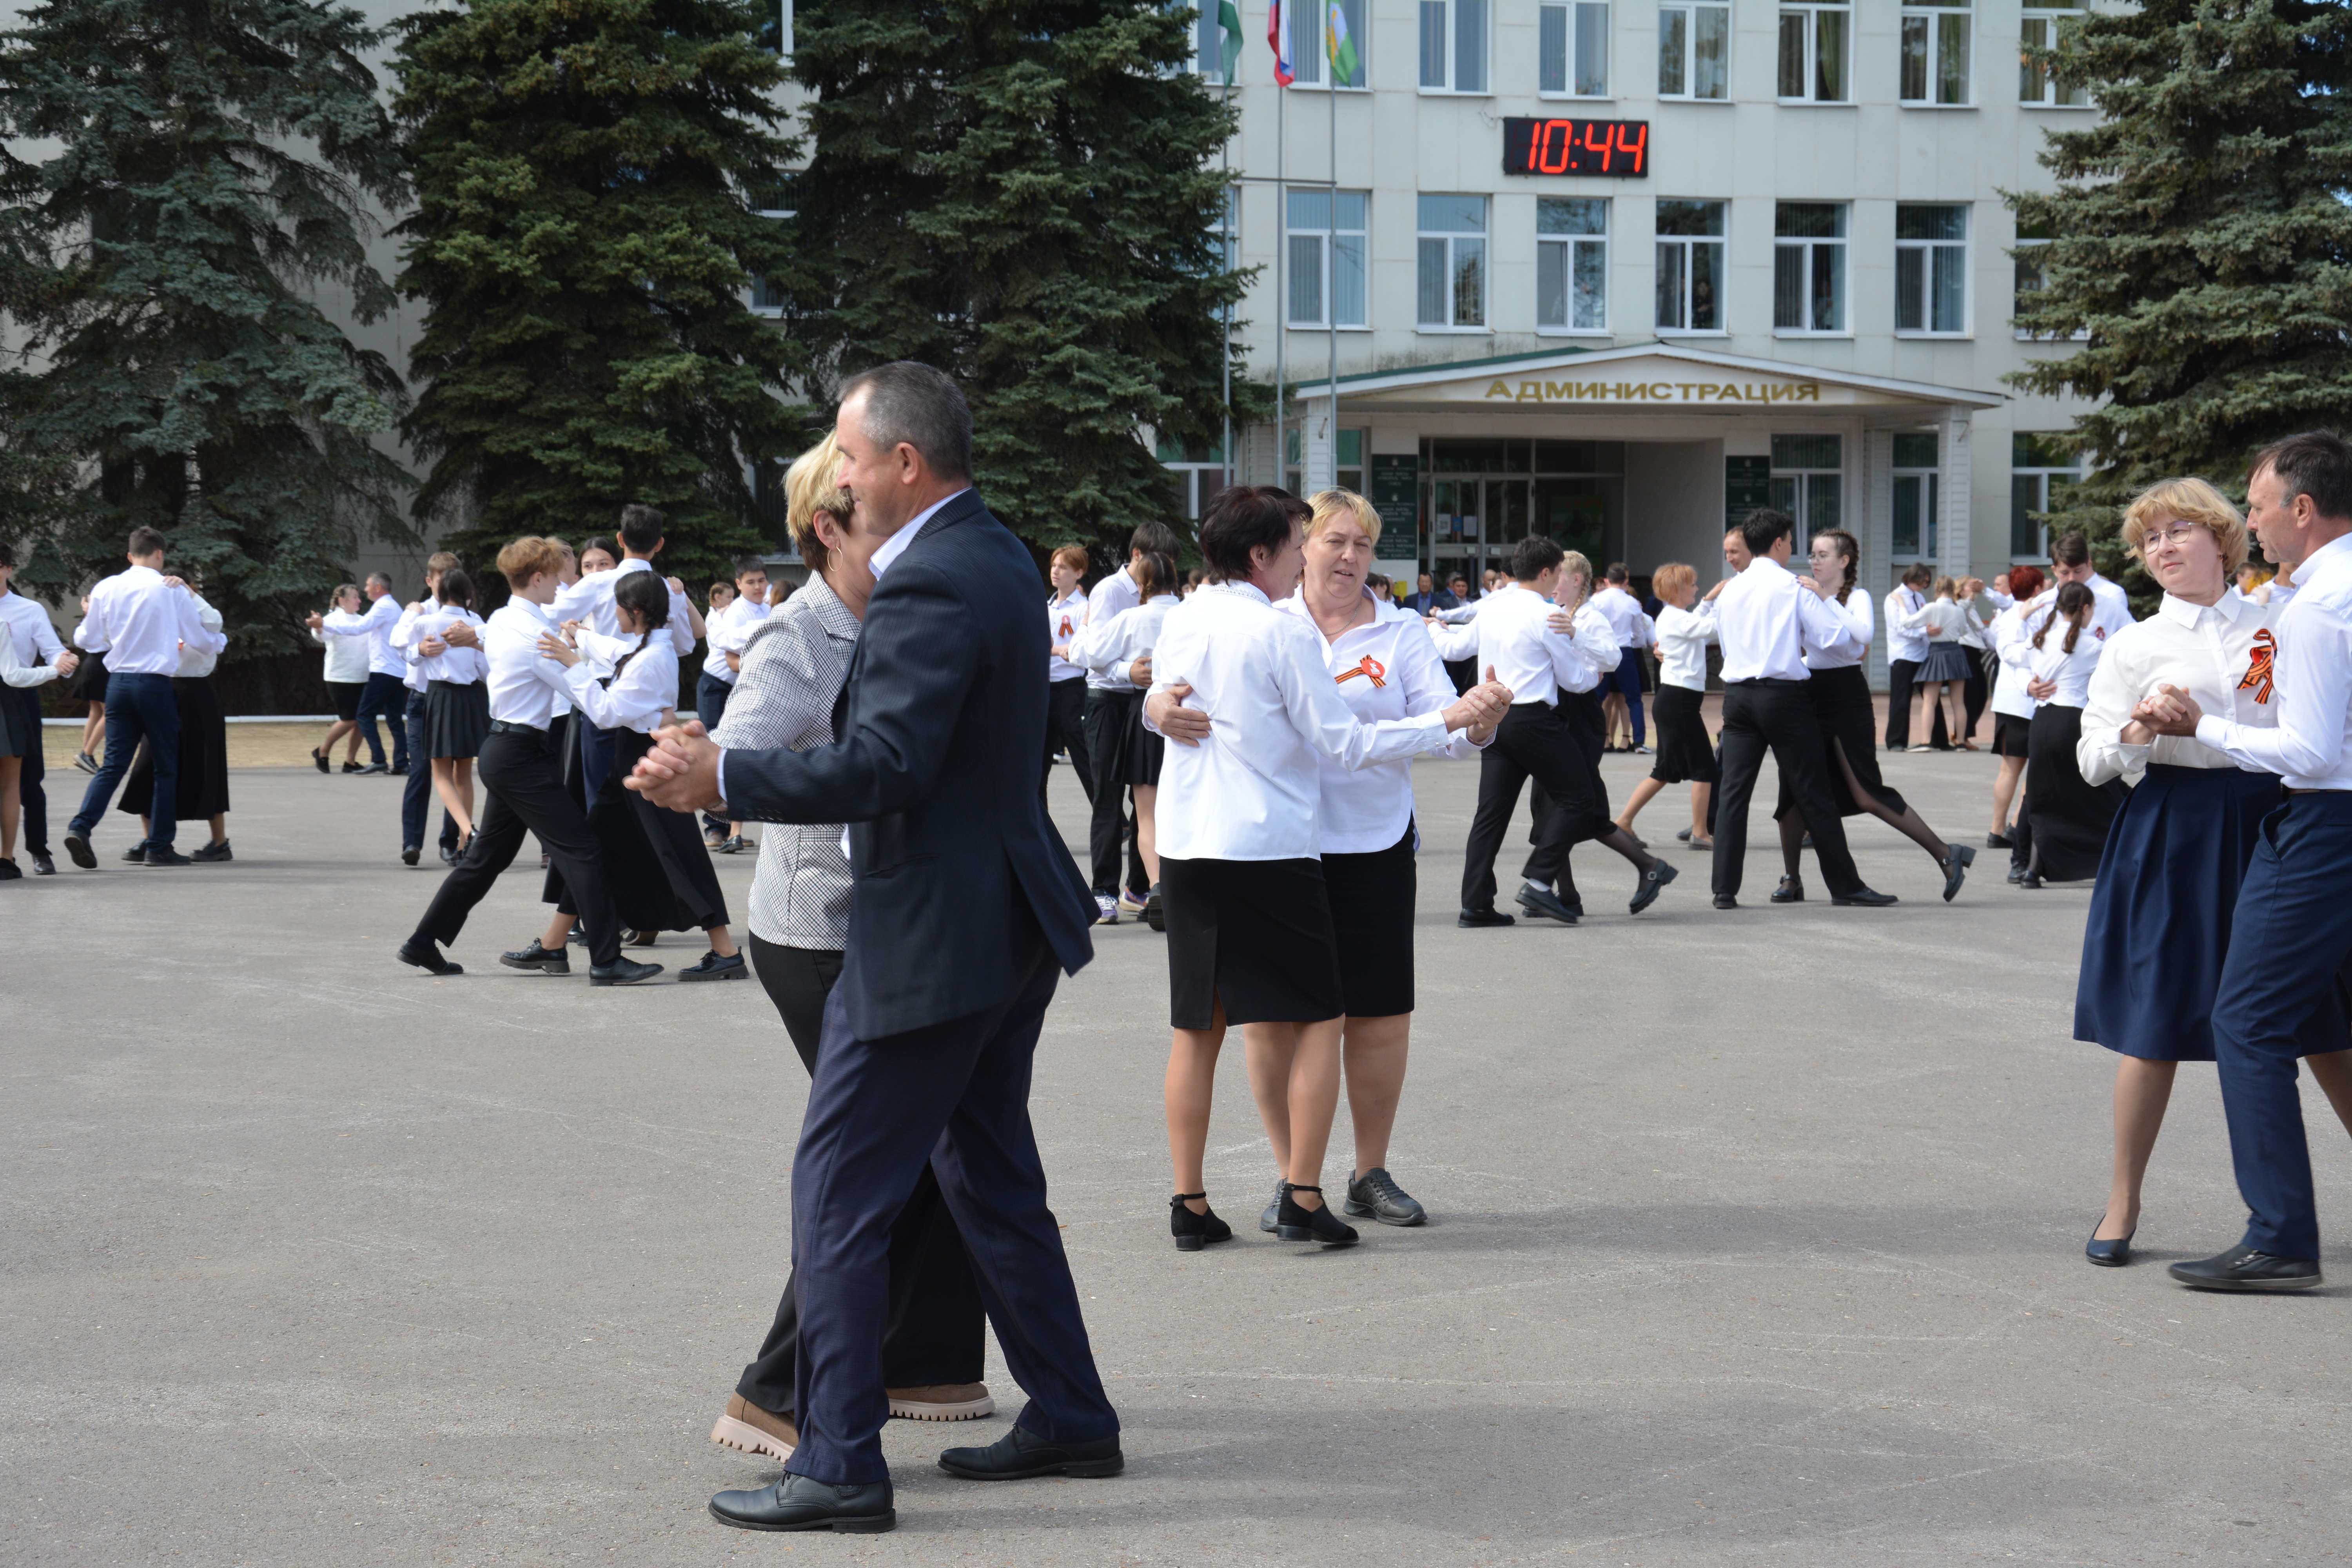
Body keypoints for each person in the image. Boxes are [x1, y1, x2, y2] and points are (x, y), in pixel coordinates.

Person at [629, 361, 1119, 1531]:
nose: (838, 477)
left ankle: (840, 1459)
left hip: (934, 938)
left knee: (839, 1187)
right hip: (1004, 923)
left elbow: (887, 766)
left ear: (905, 464)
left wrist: (724, 776)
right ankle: (1069, 1411)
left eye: (849, 456)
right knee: (987, 1173)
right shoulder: (995, 549)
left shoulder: (928, 582)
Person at [705, 435, 996, 1471]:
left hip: (905, 920)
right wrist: (853, 788)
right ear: (828, 531)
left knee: (931, 1145)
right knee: (874, 1159)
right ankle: (776, 1393)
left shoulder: (917, 613)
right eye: (883, 528)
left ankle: (922, 1357)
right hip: (822, 933)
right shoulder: (802, 637)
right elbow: (738, 753)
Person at [1141, 485, 1507, 1254]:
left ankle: (1269, 1185)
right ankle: (1298, 1183)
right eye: (1328, 539)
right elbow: (1337, 740)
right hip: (1278, 848)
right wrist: (1153, 707)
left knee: (1317, 1017)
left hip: (1316, 843)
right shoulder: (1278, 629)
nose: (1347, 556)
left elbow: (1176, 680)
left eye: (1362, 546)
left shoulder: (1398, 630)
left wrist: (1471, 723)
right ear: (1281, 551)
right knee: (1300, 1020)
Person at [2070, 477, 2352, 1269]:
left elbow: (2293, 720)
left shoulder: (2276, 623)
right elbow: (2093, 760)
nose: (2162, 547)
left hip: (2272, 815)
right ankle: (2122, 1198)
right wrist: (2138, 725)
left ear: (2223, 539)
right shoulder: (2130, 643)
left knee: (2322, 1021)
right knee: (2153, 1021)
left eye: (2178, 531)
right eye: (2149, 538)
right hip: (2174, 826)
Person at [398, 537, 661, 987]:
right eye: (558, 575)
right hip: (521, 755)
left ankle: (424, 941)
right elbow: (594, 706)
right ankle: (606, 960)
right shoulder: (533, 636)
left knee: (486, 858)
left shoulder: (503, 618)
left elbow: (492, 635)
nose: (564, 583)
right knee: (584, 850)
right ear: (537, 578)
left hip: (508, 750)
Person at [514, 571, 746, 981]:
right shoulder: (647, 644)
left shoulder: (653, 658)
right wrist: (580, 637)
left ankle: (726, 951)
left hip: (648, 764)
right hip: (630, 762)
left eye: (617, 606)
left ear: (636, 612)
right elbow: (614, 651)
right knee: (591, 849)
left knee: (679, 853)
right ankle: (553, 944)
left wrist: (572, 665)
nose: (612, 613)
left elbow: (605, 712)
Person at [1452, 535, 1675, 927]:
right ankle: (1539, 883)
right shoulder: (1545, 615)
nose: (1557, 579)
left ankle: (1476, 903)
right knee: (1578, 799)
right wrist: (1591, 673)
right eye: (1556, 571)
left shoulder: (1496, 608)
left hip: (1496, 717)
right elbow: (1575, 680)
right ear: (1545, 572)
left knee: (1492, 815)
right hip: (1534, 721)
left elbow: (1457, 646)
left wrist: (1420, 627)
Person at [1708, 509, 1895, 911]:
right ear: (1778, 543)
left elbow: (1723, 645)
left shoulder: (1731, 590)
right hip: (1783, 697)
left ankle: (1724, 888)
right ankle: (1845, 886)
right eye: (1791, 542)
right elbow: (1831, 638)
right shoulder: (1793, 587)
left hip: (1738, 697)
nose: (1794, 549)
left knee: (1733, 793)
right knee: (1814, 792)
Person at [1773, 532, 1973, 904]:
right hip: (1809, 694)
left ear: (1844, 561)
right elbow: (1804, 649)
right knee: (1794, 792)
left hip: (1847, 696)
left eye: (1823, 555)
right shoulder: (1804, 594)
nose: (1814, 562)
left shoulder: (1856, 597)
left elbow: (1863, 637)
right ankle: (1791, 879)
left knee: (1866, 792)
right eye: (1812, 555)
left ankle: (1947, 853)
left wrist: (1824, 598)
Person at [60, 528, 227, 869]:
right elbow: (199, 638)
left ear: (129, 555)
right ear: (160, 555)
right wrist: (220, 642)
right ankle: (159, 846)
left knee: (113, 766)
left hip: (118, 685)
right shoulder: (170, 589)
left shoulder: (106, 587)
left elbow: (89, 639)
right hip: (155, 685)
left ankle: (81, 826)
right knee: (167, 767)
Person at [552, 505, 704, 820]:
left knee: (602, 795)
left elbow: (548, 612)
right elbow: (687, 643)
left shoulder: (598, 583)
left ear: (620, 539)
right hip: (648, 702)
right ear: (659, 544)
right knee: (644, 797)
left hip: (606, 692)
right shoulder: (667, 588)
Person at [1076, 521, 1178, 923]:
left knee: (1144, 805)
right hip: (1110, 700)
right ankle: (1105, 891)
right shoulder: (1108, 591)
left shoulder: (1147, 608)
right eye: (1159, 562)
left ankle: (1140, 887)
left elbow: (1088, 646)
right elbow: (1092, 656)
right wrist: (1127, 671)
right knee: (1108, 796)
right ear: (1139, 558)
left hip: (1143, 704)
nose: (1162, 568)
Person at [115, 570, 231, 861]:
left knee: (206, 765)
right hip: (160, 692)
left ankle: (220, 843)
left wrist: (190, 593)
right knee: (148, 765)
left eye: (182, 591)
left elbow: (216, 625)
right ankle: (151, 840)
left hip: (197, 695)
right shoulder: (161, 621)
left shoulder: (203, 620)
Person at [2016, 582, 2122, 888]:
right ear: (2085, 609)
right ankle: (2119, 856)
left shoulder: (2038, 639)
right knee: (2103, 791)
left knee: (2043, 798)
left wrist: (2021, 619)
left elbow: (2010, 655)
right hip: (2073, 722)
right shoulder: (2092, 646)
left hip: (2042, 721)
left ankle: (2031, 871)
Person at [1612, 562, 1714, 848]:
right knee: (1704, 768)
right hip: (1679, 701)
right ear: (1675, 591)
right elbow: (1711, 628)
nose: (1697, 588)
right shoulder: (1677, 618)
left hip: (1677, 700)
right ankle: (1700, 832)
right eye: (1692, 585)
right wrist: (1725, 604)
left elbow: (1702, 625)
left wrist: (1709, 601)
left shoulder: (1676, 616)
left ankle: (1624, 822)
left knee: (1666, 771)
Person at [391, 553, 464, 867]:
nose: (447, 584)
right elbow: (396, 642)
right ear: (430, 581)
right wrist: (418, 650)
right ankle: (412, 842)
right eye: (441, 579)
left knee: (455, 774)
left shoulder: (464, 613)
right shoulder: (419, 612)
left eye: (452, 578)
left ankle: (449, 843)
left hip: (452, 702)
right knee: (421, 772)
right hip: (421, 700)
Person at [0, 542, 69, 875]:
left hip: (20, 695)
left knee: (30, 780)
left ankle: (39, 850)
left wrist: (62, 662)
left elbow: (52, 651)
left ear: (9, 570)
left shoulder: (29, 610)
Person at [415, 569, 491, 855]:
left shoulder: (426, 622)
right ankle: (462, 846)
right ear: (468, 595)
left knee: (441, 773)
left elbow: (406, 653)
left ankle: (469, 832)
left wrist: (420, 650)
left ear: (440, 593)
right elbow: (485, 668)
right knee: (463, 773)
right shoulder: (476, 622)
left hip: (441, 696)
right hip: (471, 697)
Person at [700, 557, 772, 853]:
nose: (757, 586)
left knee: (738, 753)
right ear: (739, 584)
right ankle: (715, 828)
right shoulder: (736, 612)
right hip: (717, 686)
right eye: (751, 582)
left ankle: (733, 827)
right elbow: (732, 657)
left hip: (742, 687)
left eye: (762, 581)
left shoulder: (767, 608)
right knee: (715, 750)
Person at [1986, 564, 2046, 851]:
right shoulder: (2036, 617)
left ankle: (1997, 829)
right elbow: (2031, 656)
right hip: (2031, 701)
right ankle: (2014, 826)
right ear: (2037, 589)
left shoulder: (2004, 618)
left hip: (2008, 701)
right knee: (2034, 771)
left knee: (2008, 770)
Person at [1897, 576, 1975, 753]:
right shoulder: (1958, 610)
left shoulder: (1932, 608)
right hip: (1956, 652)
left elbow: (1907, 623)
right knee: (1958, 701)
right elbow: (1963, 631)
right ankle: (1961, 742)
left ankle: (1926, 741)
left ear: (1937, 590)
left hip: (1937, 651)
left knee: (1930, 701)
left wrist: (1901, 604)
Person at [341, 573, 409, 774]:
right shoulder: (393, 606)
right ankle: (401, 763)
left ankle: (379, 759)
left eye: (368, 585)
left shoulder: (383, 607)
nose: (365, 589)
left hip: (384, 672)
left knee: (364, 715)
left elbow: (359, 628)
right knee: (395, 719)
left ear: (379, 587)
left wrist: (324, 625)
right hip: (397, 672)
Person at [1043, 544, 1094, 801]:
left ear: (1079, 572)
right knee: (1038, 765)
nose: (1056, 571)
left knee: (1082, 756)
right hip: (1044, 689)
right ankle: (1041, 830)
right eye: (1054, 565)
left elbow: (1079, 649)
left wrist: (1053, 650)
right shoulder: (1047, 606)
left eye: (1063, 567)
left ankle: (1116, 819)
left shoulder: (1083, 608)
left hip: (1069, 688)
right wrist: (1056, 650)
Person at [309, 583, 372, 773]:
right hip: (341, 677)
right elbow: (321, 635)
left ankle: (350, 762)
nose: (359, 600)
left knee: (362, 719)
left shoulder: (362, 621)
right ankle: (323, 750)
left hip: (362, 676)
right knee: (349, 719)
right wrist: (318, 627)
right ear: (341, 601)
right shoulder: (332, 619)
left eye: (359, 597)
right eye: (354, 597)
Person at [1591, 563, 1652, 753]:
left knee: (1597, 698)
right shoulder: (1632, 602)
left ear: (1607, 581)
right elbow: (1639, 633)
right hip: (1625, 650)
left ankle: (1596, 738)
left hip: (1603, 649)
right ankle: (1640, 742)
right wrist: (1636, 641)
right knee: (1633, 698)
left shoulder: (1597, 600)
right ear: (1626, 581)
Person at [1883, 563, 1942, 751]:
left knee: (1933, 699)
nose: (1924, 585)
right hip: (1904, 654)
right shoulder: (1894, 599)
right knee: (1901, 700)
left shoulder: (1919, 597)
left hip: (1922, 653)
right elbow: (1900, 629)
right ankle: (1896, 741)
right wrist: (1925, 631)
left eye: (1926, 582)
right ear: (1913, 578)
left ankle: (1938, 740)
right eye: (1922, 581)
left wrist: (1926, 632)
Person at [1956, 576, 1993, 744]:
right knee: (1970, 696)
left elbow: (1981, 630)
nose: (1974, 589)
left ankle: (1963, 733)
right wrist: (1970, 598)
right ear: (1961, 590)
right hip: (1964, 650)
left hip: (1976, 652)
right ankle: (1962, 736)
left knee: (1981, 695)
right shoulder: (1958, 605)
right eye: (1969, 587)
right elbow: (1961, 610)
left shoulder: (1972, 608)